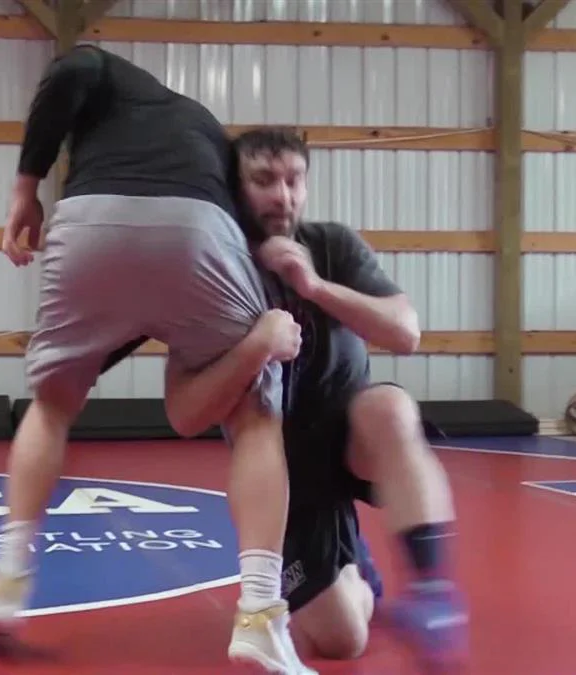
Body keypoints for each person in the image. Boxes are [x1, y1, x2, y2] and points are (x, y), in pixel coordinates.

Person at [0, 46, 315, 673]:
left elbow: (72, 68)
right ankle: (260, 615)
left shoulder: (117, 81)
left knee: (51, 408)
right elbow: (201, 256)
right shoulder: (205, 138)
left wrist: (25, 189)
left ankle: (6, 579)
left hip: (92, 226)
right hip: (198, 232)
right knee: (255, 418)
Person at [105, 126, 469, 669]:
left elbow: (405, 332)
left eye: (294, 180)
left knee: (391, 408)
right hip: (283, 477)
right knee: (343, 640)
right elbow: (184, 413)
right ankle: (356, 569)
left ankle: (432, 594)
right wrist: (255, 348)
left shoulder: (332, 244)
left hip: (352, 440)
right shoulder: (216, 272)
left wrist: (314, 286)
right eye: (264, 180)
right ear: (237, 186)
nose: (283, 196)